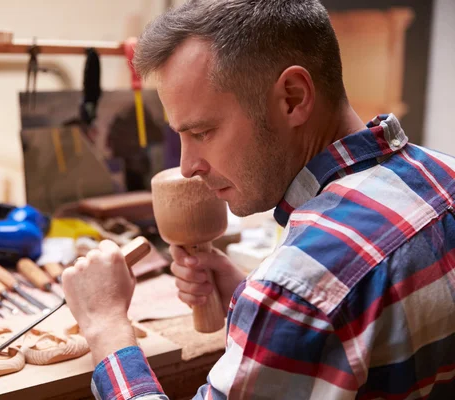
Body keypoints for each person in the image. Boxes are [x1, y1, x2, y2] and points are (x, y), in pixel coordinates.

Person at [60, 0, 455, 399]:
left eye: (202, 132)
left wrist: (106, 328)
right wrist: (252, 301)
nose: (186, 166)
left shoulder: (301, 284)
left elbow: (319, 288)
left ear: (293, 97)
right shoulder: (446, 176)